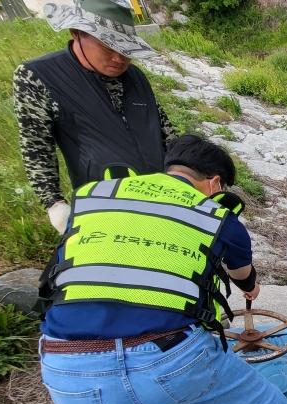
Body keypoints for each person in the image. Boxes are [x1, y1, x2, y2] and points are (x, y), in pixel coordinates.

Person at [36, 135, 287, 404]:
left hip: (69, 363)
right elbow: (241, 273)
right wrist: (249, 286)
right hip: (168, 360)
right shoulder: (215, 212)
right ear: (216, 183)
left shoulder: (97, 194)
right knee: (256, 395)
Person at [14, 0, 178, 235]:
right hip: (105, 209)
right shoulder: (40, 76)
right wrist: (53, 202)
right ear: (77, 33)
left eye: (126, 50)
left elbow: (164, 129)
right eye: (108, 47)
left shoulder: (135, 77)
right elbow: (36, 145)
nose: (119, 58)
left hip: (161, 199)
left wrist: (190, 169)